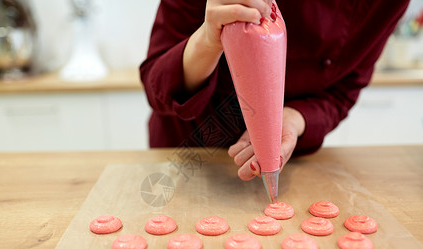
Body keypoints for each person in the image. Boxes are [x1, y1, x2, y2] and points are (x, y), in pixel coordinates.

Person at [139, 0, 410, 181]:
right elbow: (156, 83)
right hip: (189, 161)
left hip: (290, 166)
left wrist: (294, 118)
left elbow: (343, 91)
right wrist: (209, 39)